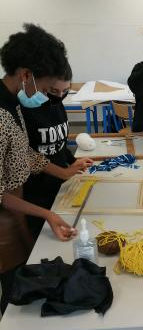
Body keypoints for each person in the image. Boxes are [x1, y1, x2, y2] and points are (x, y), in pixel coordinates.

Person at [0, 23, 87, 330]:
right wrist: (48, 214)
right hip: (6, 215)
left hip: (18, 205)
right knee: (13, 287)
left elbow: (27, 154)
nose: (52, 95)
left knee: (24, 276)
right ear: (26, 75)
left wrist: (64, 171)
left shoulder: (13, 104)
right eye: (50, 88)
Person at [21, 62, 93, 241]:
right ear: (36, 82)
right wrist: (62, 172)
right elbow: (27, 156)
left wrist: (71, 159)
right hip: (36, 193)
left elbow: (59, 141)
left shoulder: (56, 104)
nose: (60, 97)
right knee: (43, 244)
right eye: (54, 91)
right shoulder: (21, 111)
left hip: (61, 186)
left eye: (65, 91)